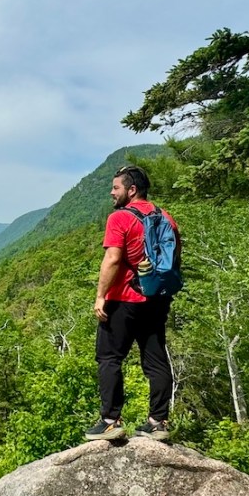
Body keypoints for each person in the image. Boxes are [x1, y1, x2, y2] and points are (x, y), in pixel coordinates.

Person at [85, 165, 180, 442]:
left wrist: (100, 295)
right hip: (155, 299)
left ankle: (110, 421)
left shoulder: (120, 218)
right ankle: (158, 421)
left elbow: (113, 259)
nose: (112, 193)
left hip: (123, 299)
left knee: (109, 358)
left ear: (132, 190)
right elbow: (174, 260)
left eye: (116, 188)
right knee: (155, 359)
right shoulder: (166, 218)